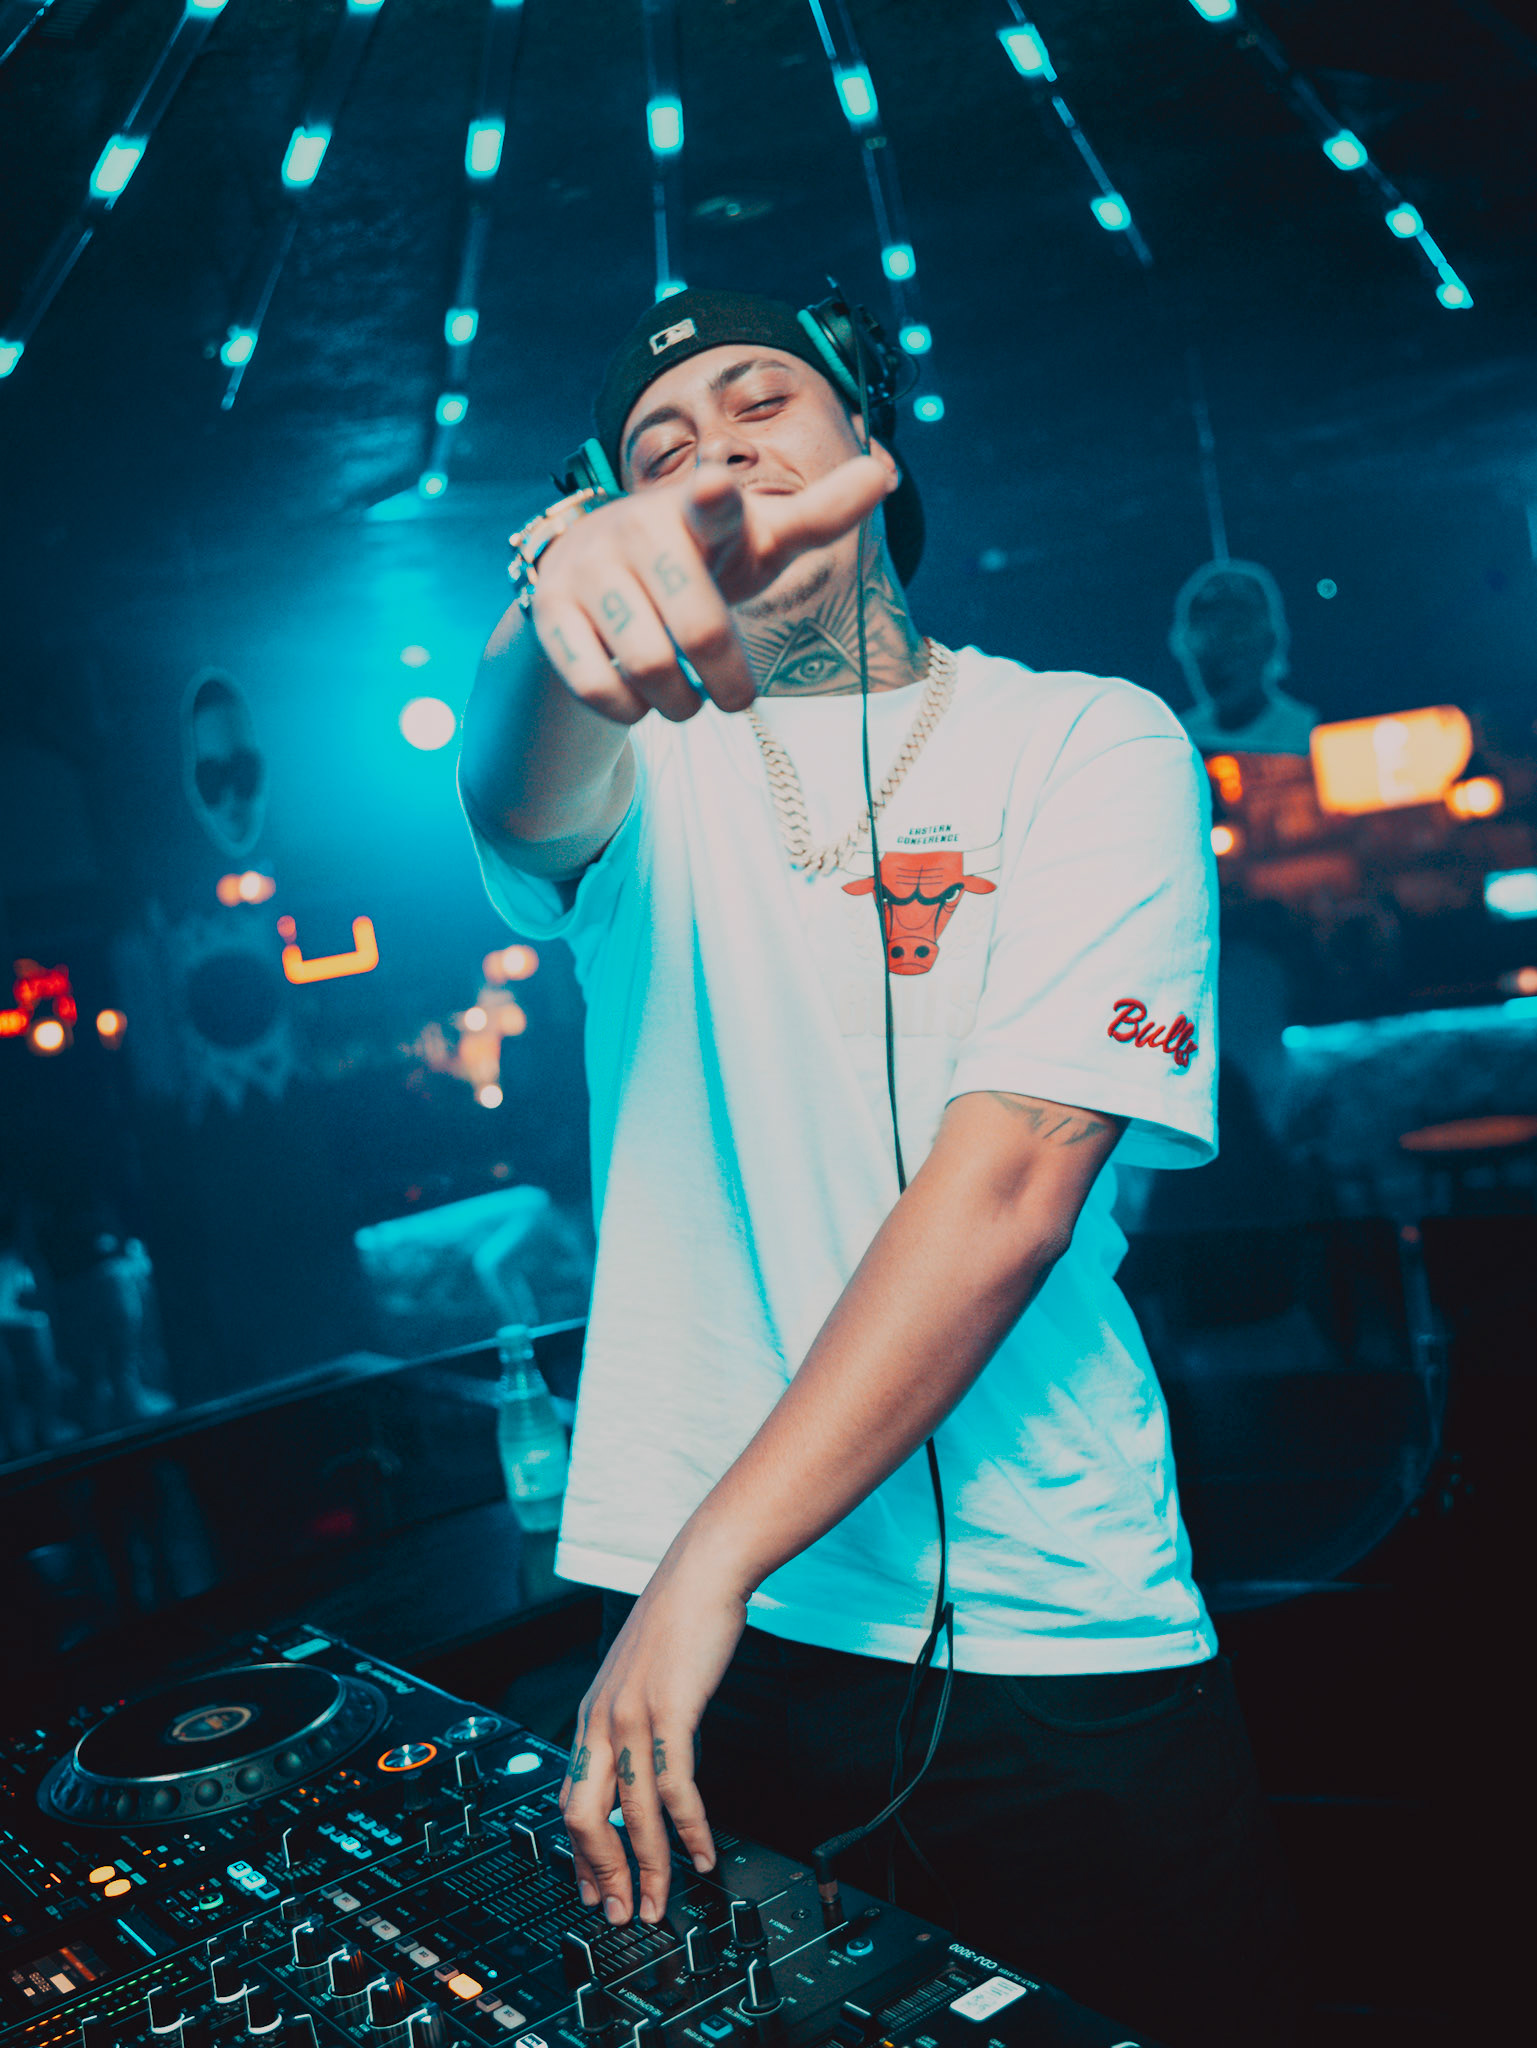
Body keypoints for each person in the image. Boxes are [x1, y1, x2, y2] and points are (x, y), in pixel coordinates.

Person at [458, 288, 1293, 2045]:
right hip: (712, 1663)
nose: (715, 450)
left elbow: (1014, 1185)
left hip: (1051, 1623)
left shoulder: (1091, 736)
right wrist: (552, 611)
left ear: (867, 435)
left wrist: (702, 1563)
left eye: (761, 400)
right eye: (658, 447)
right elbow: (512, 789)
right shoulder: (638, 770)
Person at [1169, 559, 1318, 757]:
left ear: (1268, 643)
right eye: (1204, 638)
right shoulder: (1177, 740)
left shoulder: (1309, 733)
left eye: (1235, 635)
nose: (1220, 657)